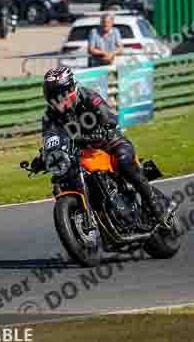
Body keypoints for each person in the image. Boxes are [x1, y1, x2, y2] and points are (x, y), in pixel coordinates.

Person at [41, 66, 177, 226]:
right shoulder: (50, 117)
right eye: (55, 97)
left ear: (72, 88)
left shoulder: (87, 96)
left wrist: (104, 127)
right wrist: (44, 155)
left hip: (109, 141)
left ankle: (156, 205)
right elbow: (50, 138)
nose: (60, 100)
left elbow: (106, 115)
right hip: (80, 151)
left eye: (62, 94)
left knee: (124, 159)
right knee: (65, 177)